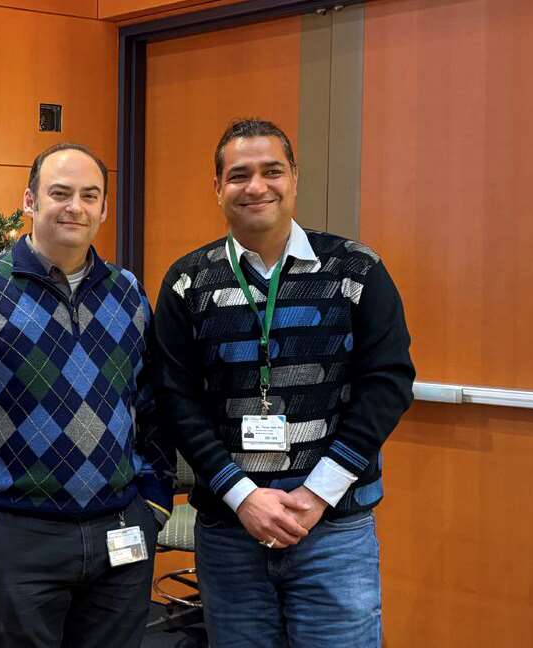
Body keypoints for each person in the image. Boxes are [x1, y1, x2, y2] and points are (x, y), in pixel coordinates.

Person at [154, 118, 415, 647]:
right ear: (217, 187)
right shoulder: (188, 281)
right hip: (230, 534)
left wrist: (318, 493)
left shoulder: (356, 269)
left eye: (272, 171)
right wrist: (243, 496)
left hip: (334, 531)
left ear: (294, 178)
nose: (256, 186)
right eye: (239, 175)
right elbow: (175, 400)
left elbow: (388, 384)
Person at [0, 143, 175, 648]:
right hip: (19, 536)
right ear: (29, 201)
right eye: (60, 193)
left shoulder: (128, 292)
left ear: (105, 208)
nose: (76, 207)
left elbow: (153, 404)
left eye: (90, 196)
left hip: (121, 530)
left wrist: (154, 503)